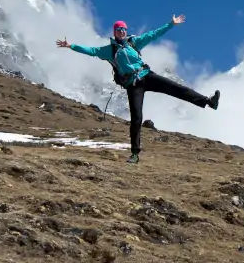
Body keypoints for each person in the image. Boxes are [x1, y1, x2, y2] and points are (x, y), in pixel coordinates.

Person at [57, 14, 219, 163]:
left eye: (124, 29)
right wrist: (71, 46)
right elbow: (91, 51)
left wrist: (171, 24)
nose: (122, 31)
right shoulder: (109, 50)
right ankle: (135, 154)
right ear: (114, 32)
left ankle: (208, 102)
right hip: (133, 85)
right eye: (119, 29)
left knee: (176, 88)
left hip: (147, 75)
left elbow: (153, 34)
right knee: (136, 118)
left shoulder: (134, 43)